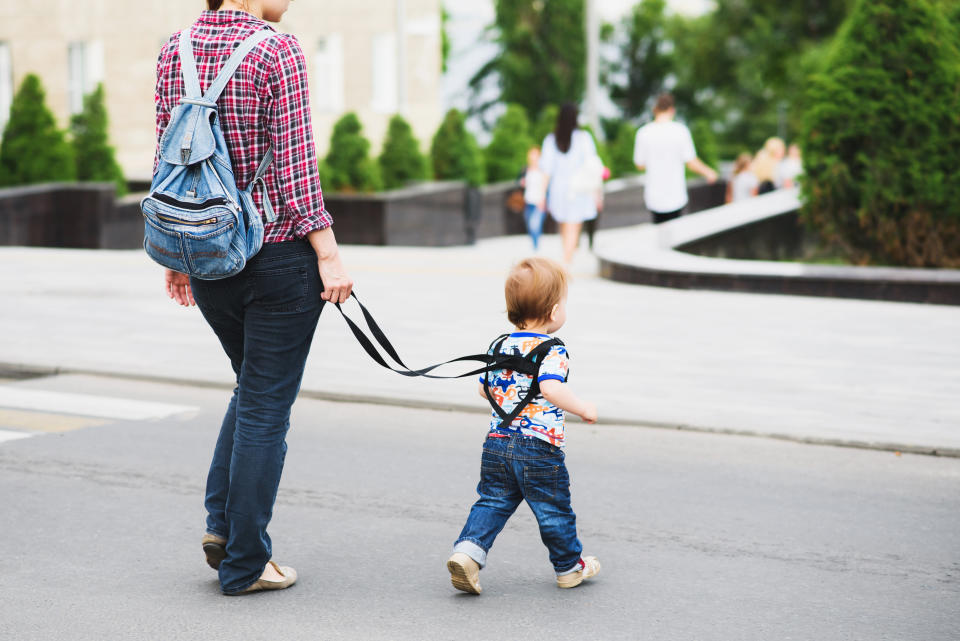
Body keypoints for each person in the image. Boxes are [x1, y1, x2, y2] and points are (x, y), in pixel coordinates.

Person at [156, 0, 353, 595]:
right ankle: (245, 563)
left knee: (252, 392)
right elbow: (296, 173)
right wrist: (329, 254)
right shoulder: (276, 48)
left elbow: (167, 155)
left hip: (210, 255)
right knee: (266, 407)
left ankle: (223, 526)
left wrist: (177, 254)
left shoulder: (176, 49)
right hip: (278, 259)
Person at [446, 257, 600, 595]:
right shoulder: (553, 350)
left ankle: (468, 553)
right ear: (554, 310)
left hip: (497, 442)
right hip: (538, 447)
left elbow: (483, 388)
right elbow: (551, 387)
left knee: (492, 501)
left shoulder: (499, 345)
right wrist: (582, 407)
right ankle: (569, 567)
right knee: (552, 508)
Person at [633, 93, 718, 224]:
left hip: (654, 196)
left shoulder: (643, 133)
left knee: (659, 232)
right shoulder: (681, 131)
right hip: (676, 194)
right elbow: (691, 162)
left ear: (655, 110)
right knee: (676, 231)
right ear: (672, 110)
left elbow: (639, 164)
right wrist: (709, 172)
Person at [539, 103, 600, 264]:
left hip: (558, 190)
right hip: (578, 189)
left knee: (564, 226)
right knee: (573, 226)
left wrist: (541, 195)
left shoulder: (551, 140)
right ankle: (566, 263)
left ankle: (566, 259)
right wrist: (596, 193)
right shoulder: (583, 138)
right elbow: (591, 166)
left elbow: (546, 171)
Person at [520, 146, 547, 250]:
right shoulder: (526, 169)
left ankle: (536, 247)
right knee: (529, 224)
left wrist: (543, 201)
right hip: (528, 201)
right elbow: (520, 181)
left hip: (538, 201)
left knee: (534, 224)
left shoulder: (543, 171)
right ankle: (534, 244)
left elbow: (545, 186)